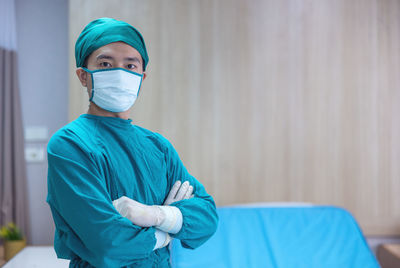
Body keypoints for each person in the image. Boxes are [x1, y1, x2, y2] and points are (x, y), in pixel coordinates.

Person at [46, 17, 218, 268]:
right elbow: (107, 244)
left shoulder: (158, 147)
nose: (119, 73)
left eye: (130, 65)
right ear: (83, 76)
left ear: (141, 77)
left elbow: (208, 217)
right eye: (105, 63)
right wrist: (168, 229)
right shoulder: (69, 145)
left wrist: (156, 214)